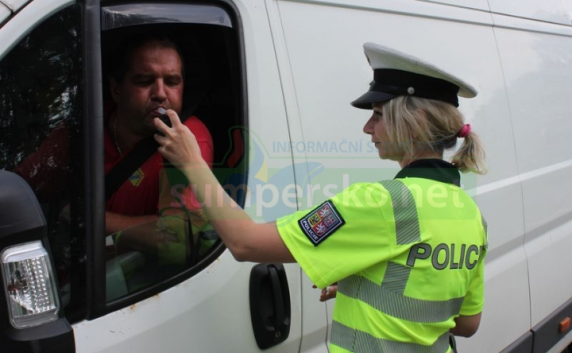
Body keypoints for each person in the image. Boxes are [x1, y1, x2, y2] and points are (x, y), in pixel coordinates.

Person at [154, 42, 488, 353]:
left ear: (411, 123)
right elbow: (466, 323)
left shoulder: (380, 202)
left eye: (378, 115)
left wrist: (191, 162)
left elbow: (246, 244)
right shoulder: (471, 214)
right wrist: (366, 286)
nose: (368, 128)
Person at [103, 33, 214, 237]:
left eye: (172, 82)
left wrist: (88, 219)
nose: (161, 93)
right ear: (116, 89)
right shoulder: (84, 128)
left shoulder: (187, 137)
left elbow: (178, 238)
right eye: (145, 81)